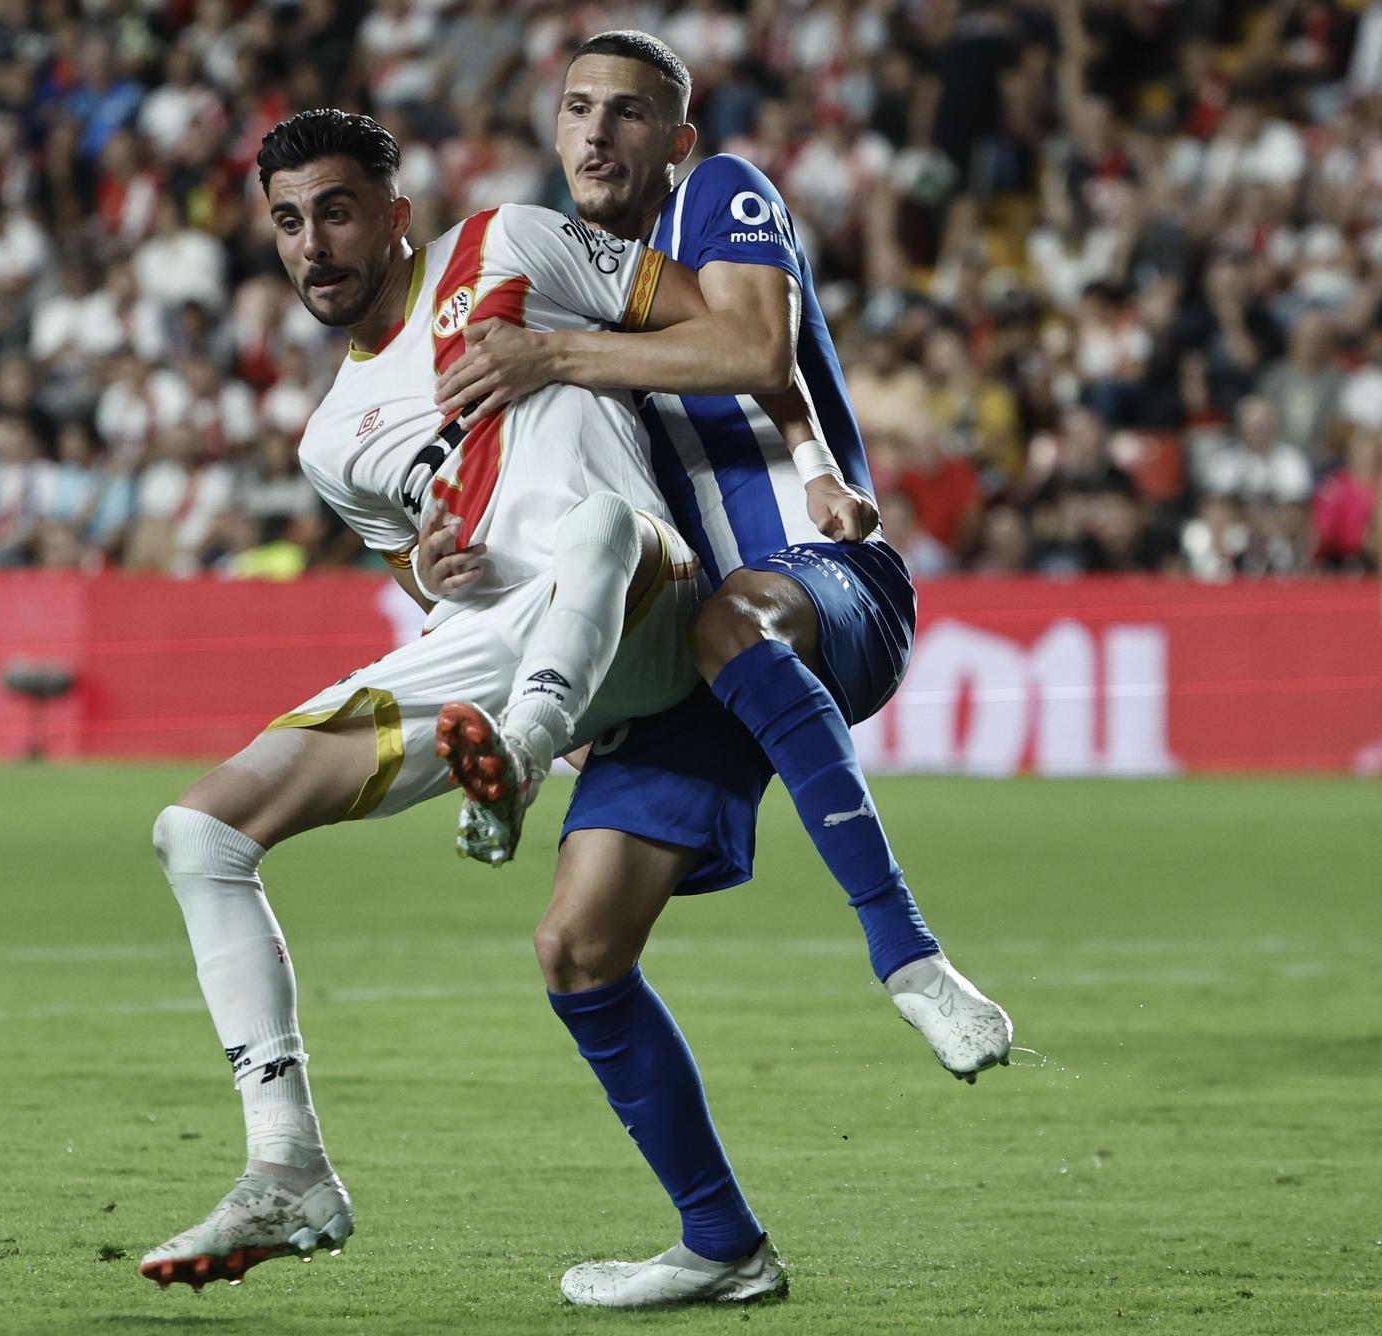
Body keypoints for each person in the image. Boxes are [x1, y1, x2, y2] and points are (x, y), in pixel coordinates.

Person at [141, 107, 819, 1292]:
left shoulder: (509, 243)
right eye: (290, 223)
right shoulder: (329, 442)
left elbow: (724, 336)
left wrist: (564, 356)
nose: (314, 246)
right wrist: (431, 568)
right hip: (496, 639)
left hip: (643, 596)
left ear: (397, 214)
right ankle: (286, 1162)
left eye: (338, 212)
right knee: (196, 831)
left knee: (600, 525)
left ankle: (520, 754)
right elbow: (413, 560)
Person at [418, 32, 1012, 1305]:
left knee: (726, 613)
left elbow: (751, 352)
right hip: (680, 647)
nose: (597, 135)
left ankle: (907, 955)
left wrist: (558, 359)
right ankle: (723, 1246)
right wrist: (452, 562)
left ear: (672, 140)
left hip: (819, 580)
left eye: (629, 115)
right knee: (575, 945)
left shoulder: (718, 193)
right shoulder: (551, 284)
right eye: (577, 109)